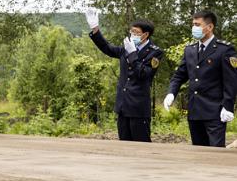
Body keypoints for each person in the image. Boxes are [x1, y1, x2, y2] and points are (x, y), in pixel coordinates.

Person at [85, 9, 163, 142]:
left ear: (145, 35)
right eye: (131, 31)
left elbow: (143, 74)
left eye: (136, 32)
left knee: (141, 147)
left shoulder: (155, 53)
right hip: (123, 107)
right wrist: (95, 29)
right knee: (124, 147)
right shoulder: (126, 48)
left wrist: (133, 54)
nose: (132, 34)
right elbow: (107, 48)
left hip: (138, 109)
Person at [164, 10, 236, 147]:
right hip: (194, 111)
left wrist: (228, 106)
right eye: (193, 24)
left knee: (215, 154)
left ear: (209, 27)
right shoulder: (190, 50)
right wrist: (171, 92)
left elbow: (231, 81)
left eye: (197, 24)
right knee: (197, 153)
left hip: (215, 112)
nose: (194, 28)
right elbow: (179, 75)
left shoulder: (224, 50)